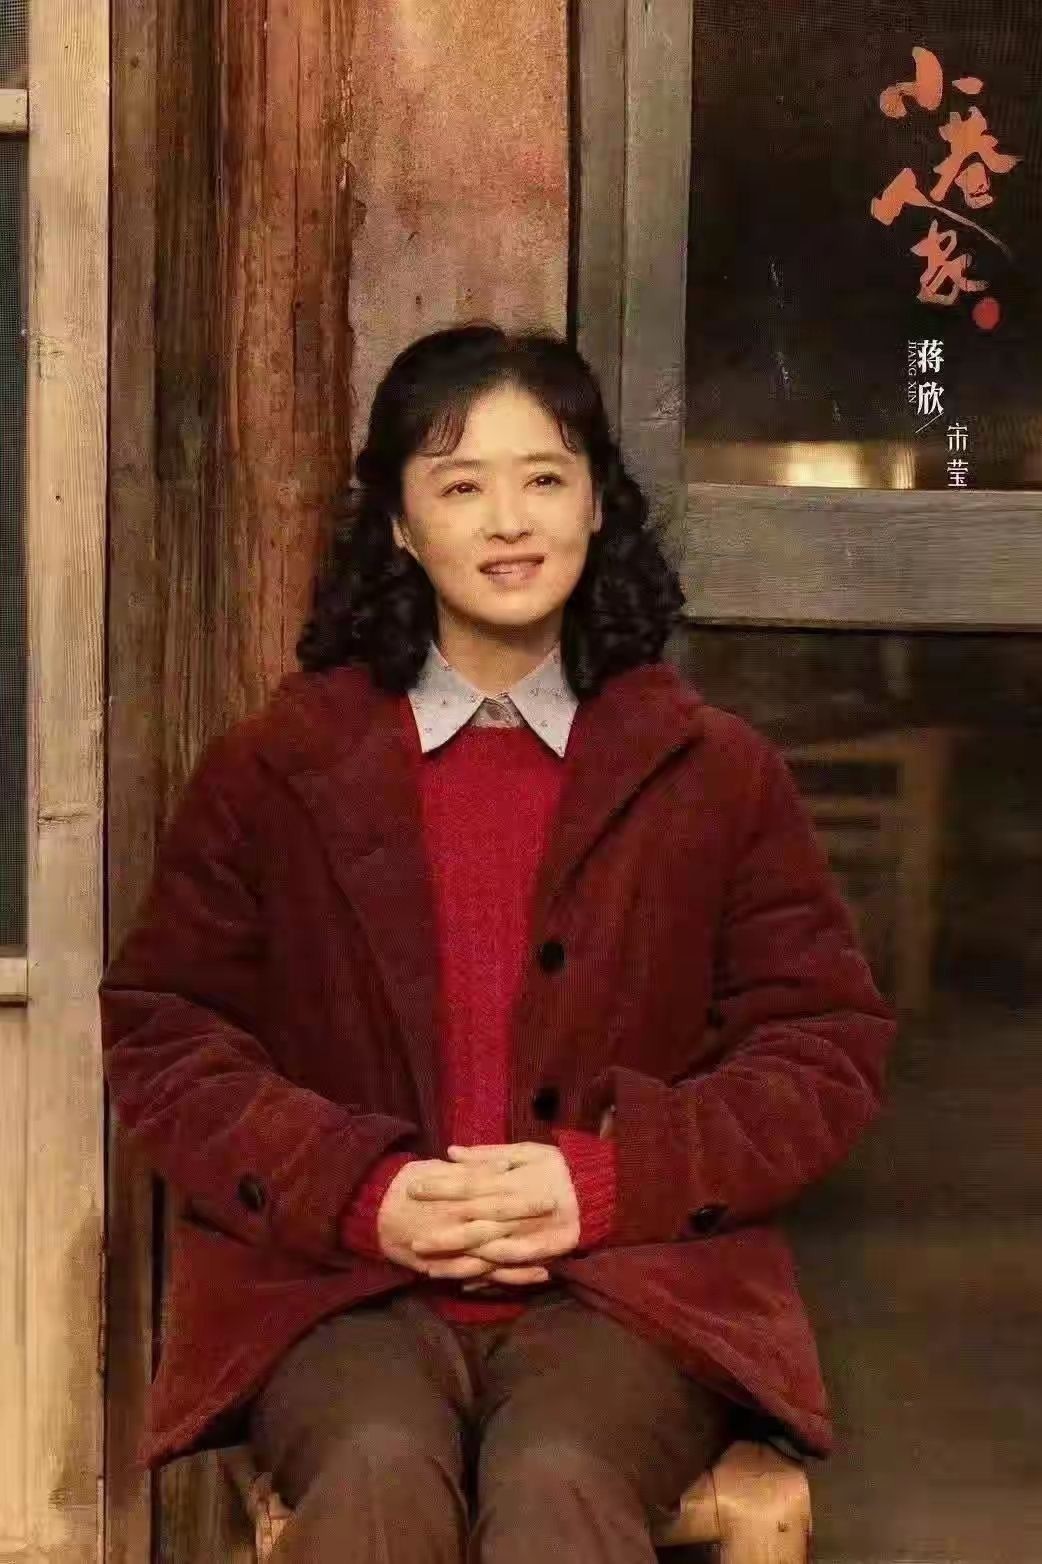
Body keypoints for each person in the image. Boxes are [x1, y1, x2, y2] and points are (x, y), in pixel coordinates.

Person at [99, 323, 895, 1562]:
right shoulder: (276, 768)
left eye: (545, 477)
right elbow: (165, 1034)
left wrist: (609, 1184)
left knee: (559, 1477)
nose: (510, 521)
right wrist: (360, 1192)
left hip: (626, 1291)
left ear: (597, 506)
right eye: (461, 485)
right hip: (343, 1292)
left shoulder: (713, 771)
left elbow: (823, 1046)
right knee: (374, 1472)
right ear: (401, 525)